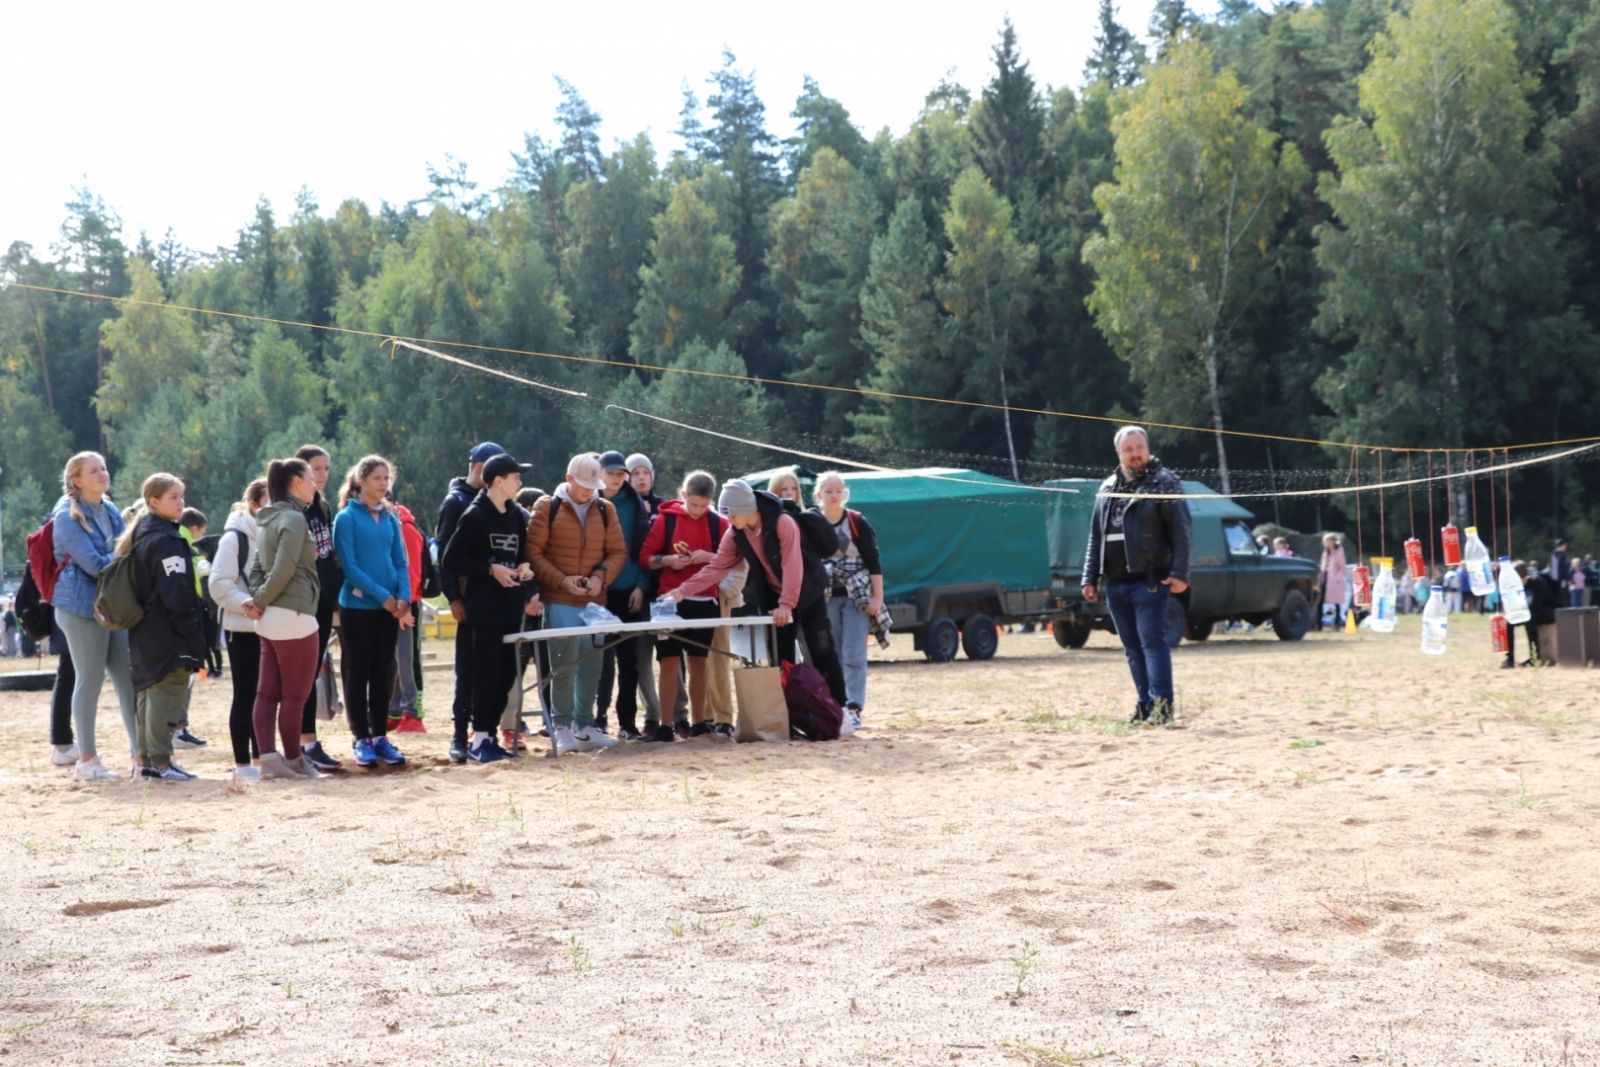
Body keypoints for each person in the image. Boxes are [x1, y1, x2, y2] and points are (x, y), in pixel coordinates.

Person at [666, 479, 849, 710]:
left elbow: (793, 565)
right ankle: (789, 715)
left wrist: (787, 604)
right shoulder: (735, 533)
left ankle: (841, 710)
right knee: (779, 659)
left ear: (745, 510)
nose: (728, 521)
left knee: (822, 650)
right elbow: (717, 567)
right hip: (775, 595)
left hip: (807, 591)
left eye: (732, 515)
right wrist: (682, 591)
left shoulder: (783, 522)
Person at [1081, 426, 1192, 727]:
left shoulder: (1166, 483)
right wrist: (1088, 577)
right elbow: (1095, 537)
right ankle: (1145, 707)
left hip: (1151, 581)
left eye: (1139, 447)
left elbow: (1182, 531)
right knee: (1131, 649)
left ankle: (1163, 710)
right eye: (1128, 449)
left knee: (1152, 643)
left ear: (1147, 448)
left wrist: (1181, 573)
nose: (1135, 454)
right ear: (1119, 454)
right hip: (1115, 585)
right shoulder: (1106, 487)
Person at [442, 453, 540, 763]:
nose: (520, 482)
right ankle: (479, 738)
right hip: (484, 609)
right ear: (498, 481)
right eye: (515, 477)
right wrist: (489, 569)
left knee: (508, 674)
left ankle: (489, 734)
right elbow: (451, 559)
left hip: (512, 607)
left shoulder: (515, 515)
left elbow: (523, 554)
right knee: (486, 673)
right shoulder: (474, 515)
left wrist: (526, 575)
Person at [525, 453, 625, 754]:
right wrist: (561, 581)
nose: (589, 490)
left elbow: (618, 552)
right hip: (559, 599)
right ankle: (562, 725)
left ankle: (585, 725)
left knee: (592, 663)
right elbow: (534, 552)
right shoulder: (546, 506)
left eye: (593, 484)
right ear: (569, 479)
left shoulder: (606, 509)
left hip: (596, 602)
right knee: (563, 662)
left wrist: (599, 578)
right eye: (583, 484)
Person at [50, 452, 138, 780]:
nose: (103, 473)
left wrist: (122, 555)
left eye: (103, 467)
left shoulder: (109, 508)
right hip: (79, 609)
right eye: (94, 470)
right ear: (77, 480)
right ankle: (86, 760)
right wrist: (124, 556)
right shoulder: (66, 515)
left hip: (110, 606)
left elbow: (120, 553)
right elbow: (96, 565)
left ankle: (139, 756)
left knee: (126, 677)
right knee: (89, 680)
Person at [118, 474, 208, 781]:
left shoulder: (142, 533)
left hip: (146, 628)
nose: (181, 502)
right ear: (153, 501)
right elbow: (176, 593)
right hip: (167, 630)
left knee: (148, 692)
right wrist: (191, 631)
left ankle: (146, 760)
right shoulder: (165, 539)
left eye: (182, 495)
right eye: (173, 497)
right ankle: (159, 763)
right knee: (165, 692)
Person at [246, 459, 326, 778]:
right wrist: (261, 599)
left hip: (268, 618)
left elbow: (256, 568)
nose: (315, 484)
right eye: (310, 478)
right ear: (295, 482)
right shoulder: (294, 518)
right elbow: (284, 568)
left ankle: (269, 759)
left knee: (266, 693)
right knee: (294, 697)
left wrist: (257, 601)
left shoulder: (267, 518)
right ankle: (294, 760)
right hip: (294, 614)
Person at [333, 455, 414, 768]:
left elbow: (400, 561)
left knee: (383, 672)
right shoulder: (347, 518)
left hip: (390, 608)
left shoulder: (391, 517)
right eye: (377, 478)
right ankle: (361, 738)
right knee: (359, 672)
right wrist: (383, 597)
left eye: (386, 478)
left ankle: (380, 736)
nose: (383, 484)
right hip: (358, 607)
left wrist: (403, 597)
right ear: (361, 480)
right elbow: (349, 567)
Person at [639, 470, 725, 741]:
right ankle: (666, 725)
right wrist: (668, 560)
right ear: (683, 495)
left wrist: (710, 556)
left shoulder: (718, 523)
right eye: (694, 504)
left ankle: (699, 723)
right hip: (668, 600)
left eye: (705, 505)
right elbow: (645, 558)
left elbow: (731, 558)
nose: (699, 511)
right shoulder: (666, 520)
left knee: (699, 663)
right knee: (668, 662)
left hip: (705, 600)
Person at [438, 441, 504, 763]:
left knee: (488, 669)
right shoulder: (456, 502)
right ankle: (459, 733)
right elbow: (446, 556)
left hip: (491, 599)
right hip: (468, 598)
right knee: (467, 669)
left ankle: (485, 733)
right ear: (481, 469)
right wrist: (453, 597)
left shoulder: (495, 503)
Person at [812, 471, 886, 729]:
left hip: (857, 597)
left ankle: (854, 707)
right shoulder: (812, 521)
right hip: (824, 596)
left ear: (845, 493)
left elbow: (873, 559)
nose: (834, 495)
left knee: (854, 652)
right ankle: (837, 705)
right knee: (831, 654)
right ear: (818, 494)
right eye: (829, 491)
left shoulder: (856, 521)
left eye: (838, 490)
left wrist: (877, 597)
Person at [210, 478, 268, 782]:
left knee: (266, 695)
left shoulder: (276, 533)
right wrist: (246, 603)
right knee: (246, 695)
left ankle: (262, 760)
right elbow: (218, 584)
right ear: (255, 503)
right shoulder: (234, 538)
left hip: (271, 628)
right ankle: (243, 765)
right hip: (241, 628)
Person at [593, 451, 652, 739]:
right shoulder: (588, 501)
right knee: (598, 662)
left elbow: (643, 548)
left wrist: (641, 585)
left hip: (629, 592)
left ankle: (627, 724)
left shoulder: (637, 504)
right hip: (596, 593)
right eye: (611, 472)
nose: (617, 477)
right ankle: (596, 719)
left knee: (629, 663)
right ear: (599, 473)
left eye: (621, 473)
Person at [292, 445, 343, 773]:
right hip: (303, 603)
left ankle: (309, 743)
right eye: (316, 469)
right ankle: (302, 744)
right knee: (301, 676)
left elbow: (328, 556)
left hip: (325, 601)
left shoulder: (320, 505)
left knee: (313, 673)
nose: (322, 475)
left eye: (326, 468)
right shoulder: (293, 510)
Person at [627, 452, 678, 735]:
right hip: (634, 593)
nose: (642, 477)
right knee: (640, 659)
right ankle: (652, 717)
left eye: (646, 472)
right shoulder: (620, 507)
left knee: (671, 656)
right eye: (636, 473)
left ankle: (677, 716)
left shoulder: (666, 507)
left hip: (665, 594)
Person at [170, 507, 212, 750]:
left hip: (182, 621)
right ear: (195, 528)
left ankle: (178, 728)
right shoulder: (187, 546)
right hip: (188, 621)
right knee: (186, 678)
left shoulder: (176, 540)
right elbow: (197, 588)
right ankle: (178, 729)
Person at [388, 500, 428, 733]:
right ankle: (394, 709)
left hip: (407, 602)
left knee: (407, 658)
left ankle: (413, 713)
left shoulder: (405, 527)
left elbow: (412, 571)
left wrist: (405, 606)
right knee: (392, 659)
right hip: (389, 603)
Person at [1318, 533, 1348, 631]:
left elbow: (1342, 567)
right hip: (1324, 579)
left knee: (1337, 602)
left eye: (1327, 541)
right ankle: (1319, 625)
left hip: (1334, 581)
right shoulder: (1325, 552)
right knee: (1320, 601)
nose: (1325, 543)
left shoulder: (1339, 551)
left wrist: (1337, 578)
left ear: (1332, 541)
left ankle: (1337, 624)